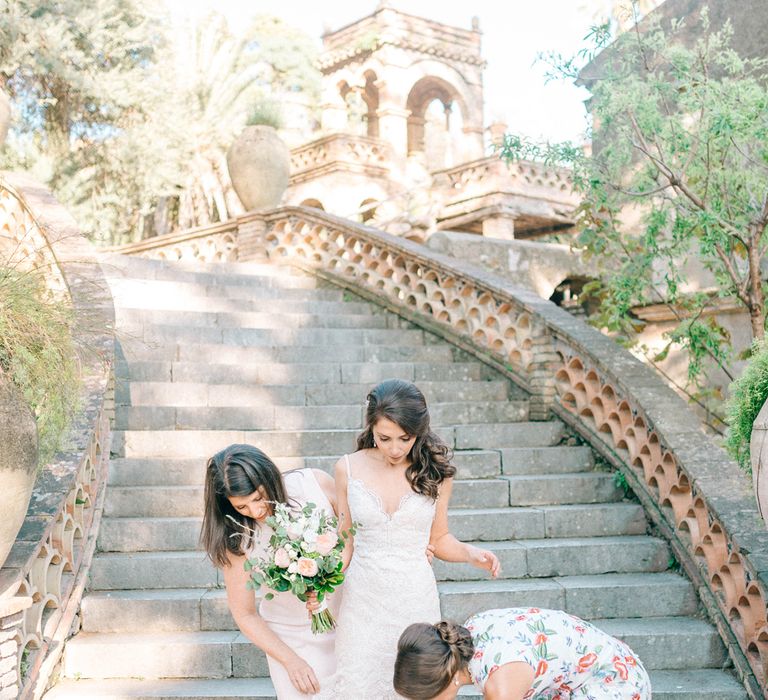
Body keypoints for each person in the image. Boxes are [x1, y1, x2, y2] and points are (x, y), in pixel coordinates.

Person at [330, 379, 501, 699]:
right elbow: (345, 542)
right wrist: (322, 580)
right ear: (371, 428)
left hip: (414, 597)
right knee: (358, 682)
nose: (395, 448)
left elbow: (440, 538)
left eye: (405, 439)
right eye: (384, 438)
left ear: (418, 432)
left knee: (419, 687)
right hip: (362, 599)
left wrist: (469, 553)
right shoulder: (348, 468)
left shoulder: (436, 473)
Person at [200, 443, 339, 699]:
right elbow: (245, 614)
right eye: (241, 507)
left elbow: (356, 536)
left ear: (269, 477)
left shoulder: (314, 484)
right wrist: (290, 660)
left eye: (257, 498)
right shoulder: (236, 537)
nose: (255, 512)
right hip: (290, 638)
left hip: (347, 622)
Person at [394, 607, 652, 700]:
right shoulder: (471, 631)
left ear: (445, 682)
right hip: (574, 680)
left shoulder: (500, 683)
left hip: (612, 682)